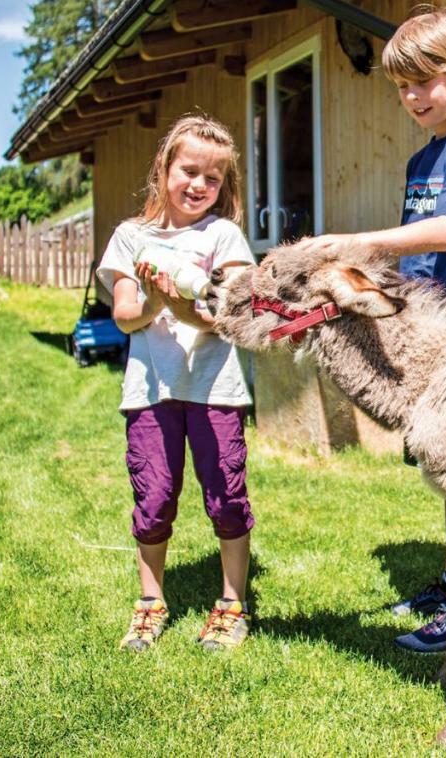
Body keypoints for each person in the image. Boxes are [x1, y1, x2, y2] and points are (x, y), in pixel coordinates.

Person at [303, 6, 446, 653]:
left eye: (425, 82)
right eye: (402, 87)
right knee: (442, 474)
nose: (413, 97)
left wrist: (360, 241)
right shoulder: (423, 159)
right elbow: (418, 258)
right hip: (428, 339)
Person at [97, 114, 257, 653]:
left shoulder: (223, 235)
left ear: (224, 186)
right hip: (151, 390)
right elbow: (123, 315)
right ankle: (150, 602)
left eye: (212, 179)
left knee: (226, 495)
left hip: (215, 387)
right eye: (189, 171)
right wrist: (154, 301)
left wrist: (179, 306)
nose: (198, 186)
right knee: (155, 494)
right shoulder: (130, 237)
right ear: (164, 169)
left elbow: (228, 315)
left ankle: (232, 603)